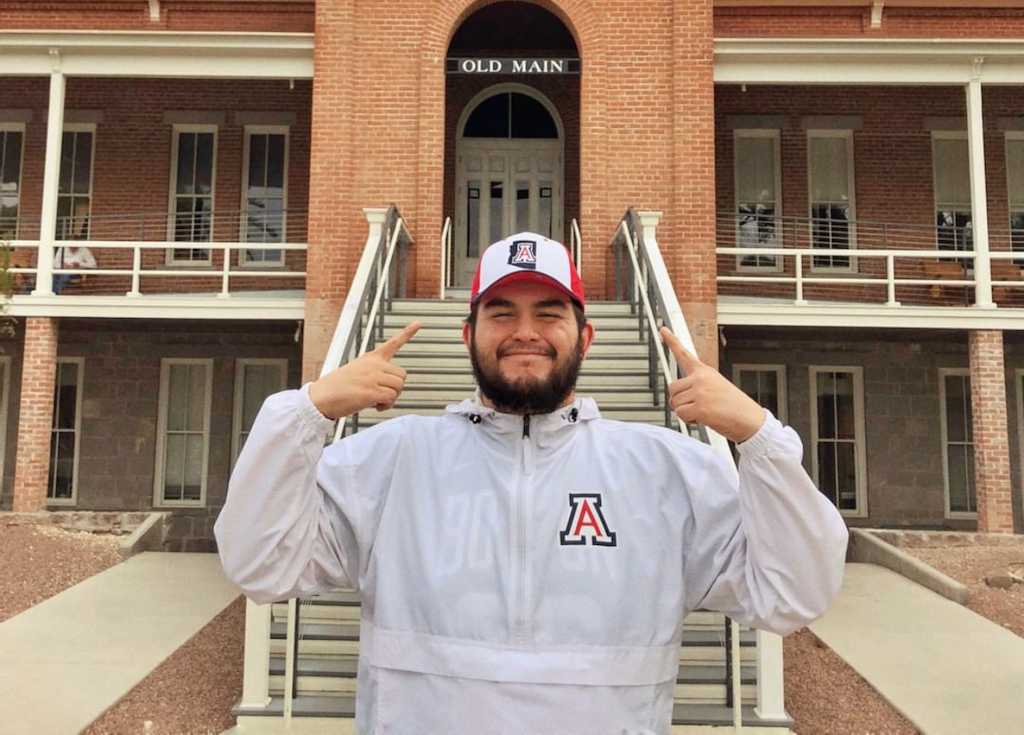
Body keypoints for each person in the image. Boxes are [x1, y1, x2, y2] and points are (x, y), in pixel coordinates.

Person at [214, 232, 849, 735]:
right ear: (468, 334)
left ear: (586, 336)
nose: (525, 332)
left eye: (549, 312)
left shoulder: (667, 470)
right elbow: (261, 563)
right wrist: (306, 411)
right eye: (501, 312)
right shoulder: (390, 459)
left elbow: (790, 594)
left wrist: (759, 437)